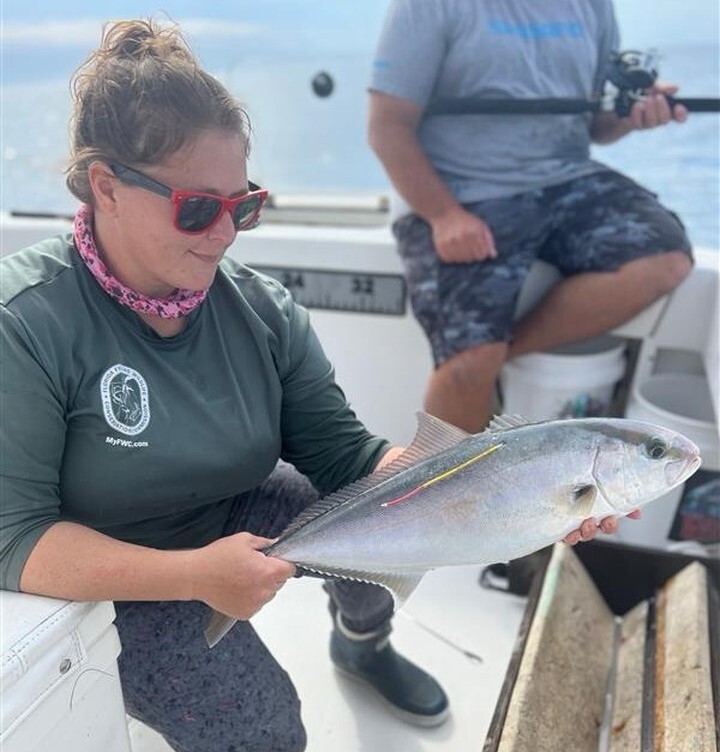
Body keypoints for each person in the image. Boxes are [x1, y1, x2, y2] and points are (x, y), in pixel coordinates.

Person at [0, 18, 621, 752]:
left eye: (244, 206)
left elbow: (347, 460)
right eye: (197, 209)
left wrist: (516, 498)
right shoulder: (28, 322)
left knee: (370, 539)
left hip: (231, 506)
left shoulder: (262, 310)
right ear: (105, 186)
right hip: (121, 566)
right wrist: (196, 575)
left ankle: (363, 643)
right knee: (268, 732)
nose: (224, 234)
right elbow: (19, 540)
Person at [368, 0, 694, 434]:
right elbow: (387, 126)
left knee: (666, 259)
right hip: (459, 191)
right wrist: (445, 216)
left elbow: (596, 124)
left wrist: (632, 117)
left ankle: (499, 354)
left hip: (566, 177)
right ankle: (445, 493)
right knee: (467, 364)